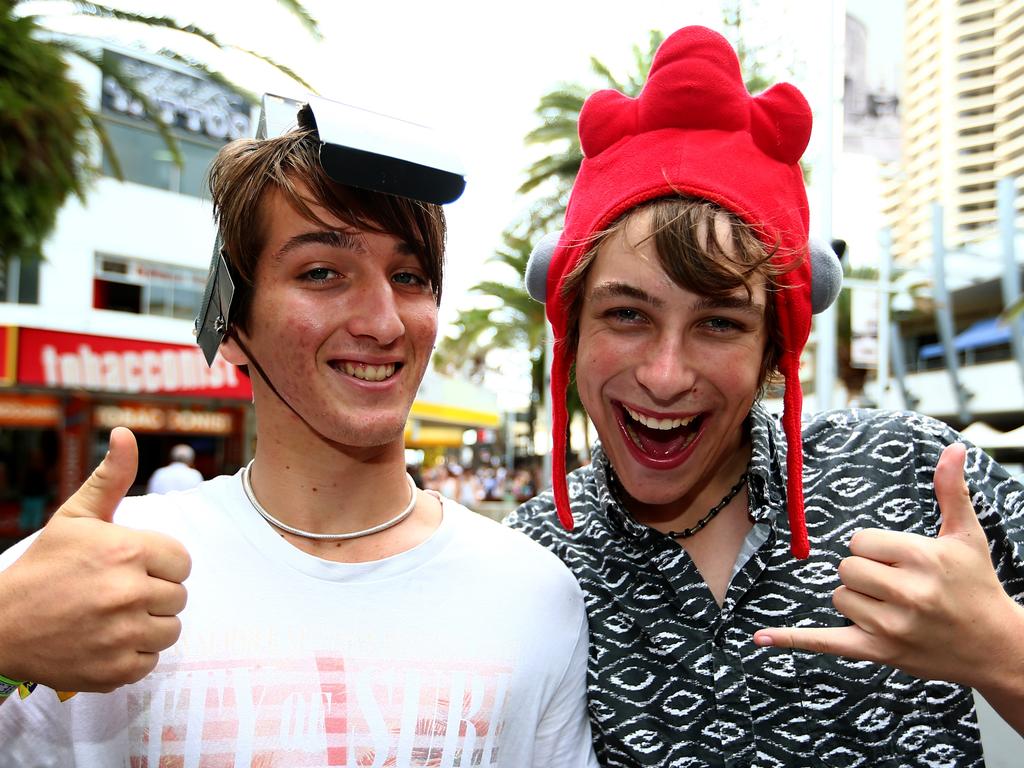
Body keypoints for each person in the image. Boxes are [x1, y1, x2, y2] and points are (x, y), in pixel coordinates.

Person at [0, 95, 597, 767]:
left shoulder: (531, 592)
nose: (383, 321)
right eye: (321, 273)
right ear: (231, 324)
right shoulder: (87, 575)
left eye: (409, 276)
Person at [507, 25, 1024, 767]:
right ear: (574, 329)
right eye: (627, 314)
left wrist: (1003, 653)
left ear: (771, 353)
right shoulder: (528, 565)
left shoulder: (918, 479)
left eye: (718, 322)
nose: (664, 374)